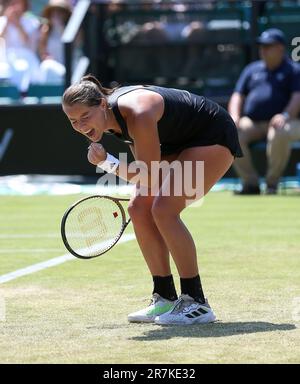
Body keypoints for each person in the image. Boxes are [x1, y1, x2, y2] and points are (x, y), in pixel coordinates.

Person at [62, 74, 242, 325]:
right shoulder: (112, 121)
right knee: (138, 207)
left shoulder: (138, 113)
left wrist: (106, 162)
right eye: (73, 121)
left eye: (85, 117)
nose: (80, 126)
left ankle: (196, 302)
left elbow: (148, 173)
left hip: (212, 134)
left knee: (164, 210)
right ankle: (165, 298)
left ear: (102, 105)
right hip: (177, 141)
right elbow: (149, 176)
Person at [228, 28, 300, 195]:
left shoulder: (294, 70)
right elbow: (237, 95)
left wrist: (285, 115)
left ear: (281, 48)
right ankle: (250, 183)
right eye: (262, 46)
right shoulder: (252, 69)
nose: (263, 50)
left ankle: (271, 183)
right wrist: (234, 116)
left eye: (268, 46)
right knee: (231, 132)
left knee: (279, 131)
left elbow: (297, 98)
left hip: (284, 121)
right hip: (253, 122)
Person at [0, 0, 40, 90]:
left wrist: (17, 24)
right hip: (5, 57)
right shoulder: (2, 21)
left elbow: (28, 43)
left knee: (22, 68)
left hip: (27, 57)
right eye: (12, 2)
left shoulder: (32, 22)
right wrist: (7, 22)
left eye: (17, 2)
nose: (14, 6)